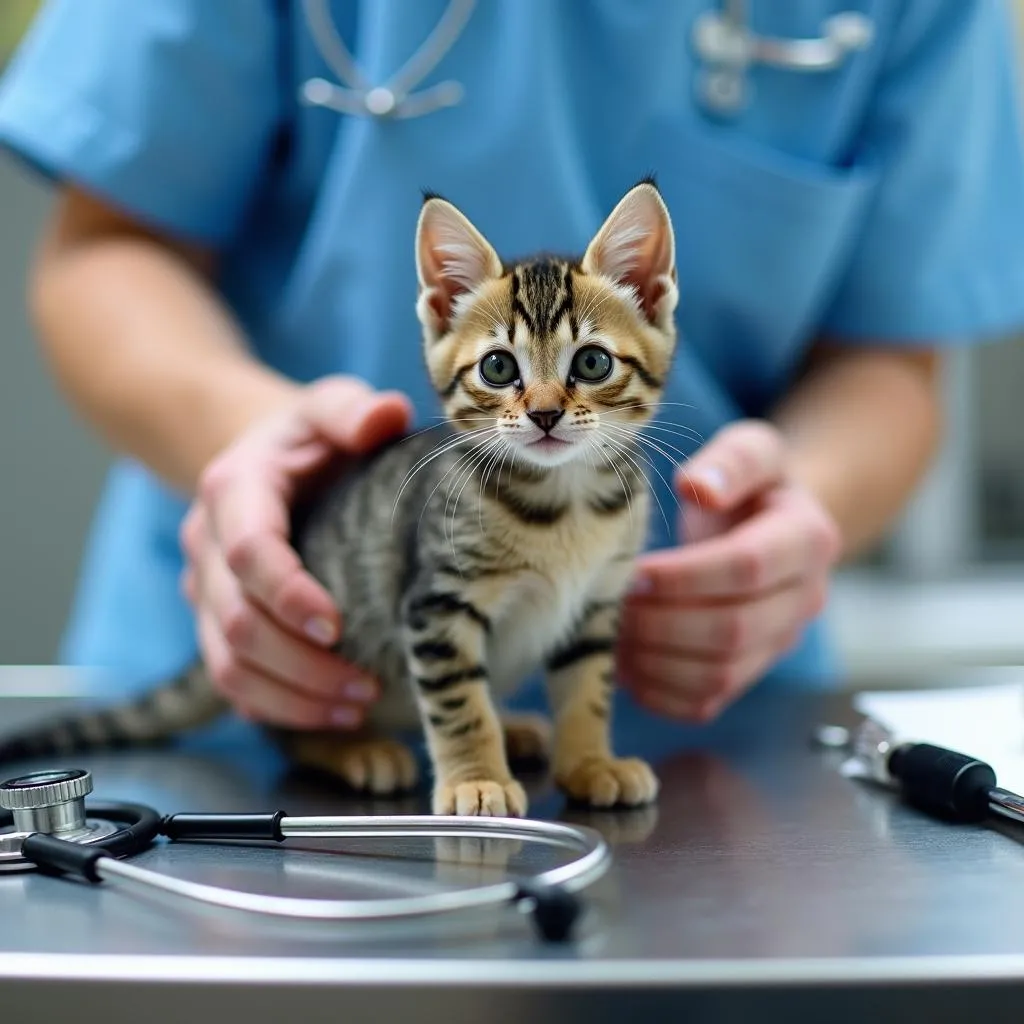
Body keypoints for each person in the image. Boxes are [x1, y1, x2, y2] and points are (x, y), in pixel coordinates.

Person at [1, 1, 1023, 742]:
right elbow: (105, 248)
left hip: (701, 721)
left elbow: (892, 355)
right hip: (272, 669)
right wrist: (264, 443)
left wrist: (811, 500)